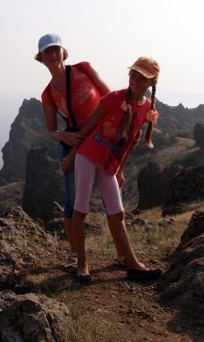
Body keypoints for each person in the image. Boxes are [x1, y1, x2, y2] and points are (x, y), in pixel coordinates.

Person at [67, 56, 163, 282]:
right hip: (88, 156)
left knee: (117, 213)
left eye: (141, 78)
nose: (135, 80)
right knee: (80, 210)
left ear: (152, 82)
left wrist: (120, 170)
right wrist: (72, 155)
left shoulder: (147, 108)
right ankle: (82, 265)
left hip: (109, 164)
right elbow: (87, 129)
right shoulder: (113, 98)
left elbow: (129, 143)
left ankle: (132, 263)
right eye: (133, 75)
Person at [36, 33, 110, 269]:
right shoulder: (48, 94)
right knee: (72, 200)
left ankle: (122, 253)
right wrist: (62, 136)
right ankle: (75, 254)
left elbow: (109, 97)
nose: (53, 54)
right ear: (41, 58)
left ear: (63, 52)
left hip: (101, 138)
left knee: (111, 194)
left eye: (56, 49)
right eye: (47, 51)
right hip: (73, 142)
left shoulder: (83, 69)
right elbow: (51, 131)